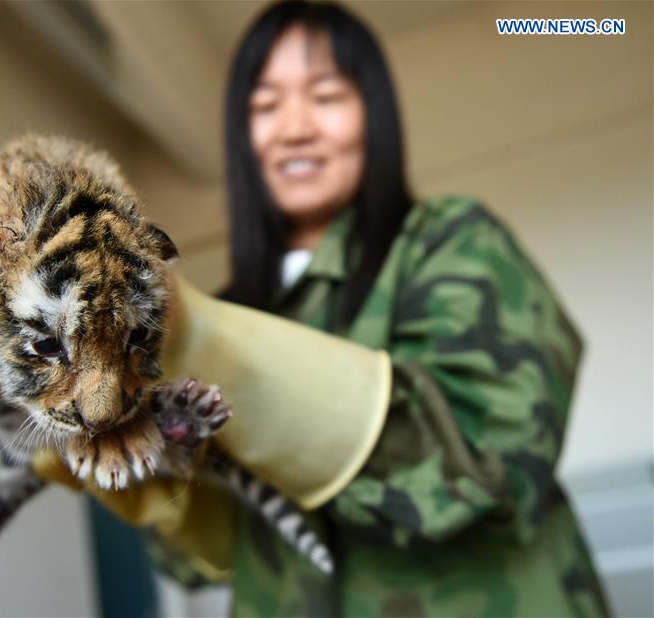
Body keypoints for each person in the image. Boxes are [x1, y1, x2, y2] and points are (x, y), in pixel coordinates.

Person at [143, 1, 610, 616]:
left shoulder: (450, 241)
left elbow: (488, 468)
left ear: (374, 115)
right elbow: (202, 556)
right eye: (265, 106)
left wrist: (212, 347)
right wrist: (135, 461)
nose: (294, 128)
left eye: (326, 96)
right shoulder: (225, 311)